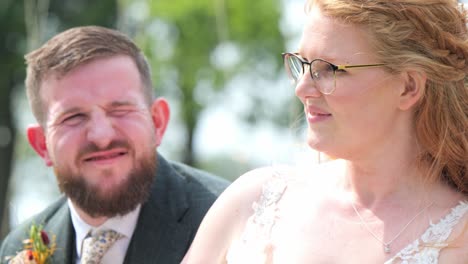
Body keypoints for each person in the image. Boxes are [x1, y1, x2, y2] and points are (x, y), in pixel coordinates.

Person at [182, 0, 468, 263]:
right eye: (302, 64)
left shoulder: (459, 240)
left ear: (408, 87)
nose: (301, 88)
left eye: (329, 69)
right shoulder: (253, 202)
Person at [0, 26, 229, 264]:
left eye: (120, 110)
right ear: (42, 145)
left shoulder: (230, 223)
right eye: (73, 117)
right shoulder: (18, 245)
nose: (101, 136)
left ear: (157, 122)